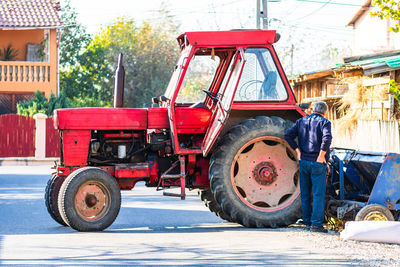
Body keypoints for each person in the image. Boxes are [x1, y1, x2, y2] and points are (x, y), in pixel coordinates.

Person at [284, 101, 332, 233]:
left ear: (313, 110)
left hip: (303, 161)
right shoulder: (325, 123)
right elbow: (327, 138)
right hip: (317, 163)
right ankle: (316, 224)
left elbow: (288, 136)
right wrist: (321, 155)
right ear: (325, 111)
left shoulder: (301, 121)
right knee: (318, 194)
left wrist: (297, 151)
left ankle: (307, 221)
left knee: (305, 193)